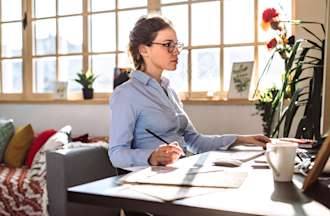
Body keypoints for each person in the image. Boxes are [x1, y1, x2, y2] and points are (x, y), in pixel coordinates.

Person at [109, 15, 270, 170]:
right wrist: (151, 156)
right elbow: (116, 153)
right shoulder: (126, 94)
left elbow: (195, 141)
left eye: (176, 45)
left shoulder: (169, 90)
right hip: (148, 180)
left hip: (179, 171)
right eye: (167, 45)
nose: (176, 51)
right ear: (144, 50)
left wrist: (242, 139)